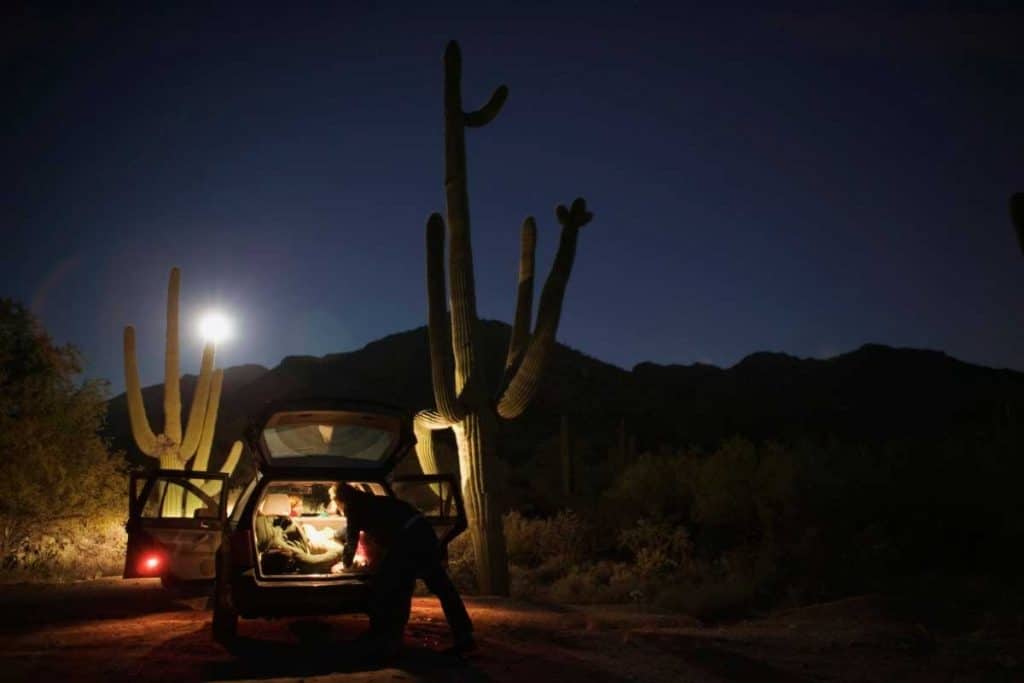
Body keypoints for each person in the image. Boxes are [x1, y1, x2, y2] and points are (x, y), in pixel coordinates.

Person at [333, 482, 475, 658]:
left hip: (409, 539)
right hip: (422, 532)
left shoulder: (354, 508)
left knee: (386, 584)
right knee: (439, 586)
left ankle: (383, 634)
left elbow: (352, 539)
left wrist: (344, 565)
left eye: (336, 504)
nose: (336, 508)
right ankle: (464, 635)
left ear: (340, 500)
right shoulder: (371, 501)